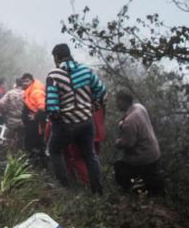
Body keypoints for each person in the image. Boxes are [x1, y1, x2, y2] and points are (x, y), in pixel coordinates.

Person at [46, 43, 105, 194]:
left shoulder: (54, 75)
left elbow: (52, 106)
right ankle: (98, 190)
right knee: (90, 154)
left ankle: (65, 187)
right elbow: (101, 91)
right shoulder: (86, 71)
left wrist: (57, 121)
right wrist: (93, 107)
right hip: (86, 121)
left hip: (66, 123)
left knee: (54, 150)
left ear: (57, 57)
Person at [114, 91, 164, 196]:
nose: (116, 104)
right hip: (154, 151)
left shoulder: (129, 121)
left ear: (123, 102)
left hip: (143, 156)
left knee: (119, 167)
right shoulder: (139, 107)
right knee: (152, 180)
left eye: (117, 101)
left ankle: (130, 193)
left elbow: (128, 144)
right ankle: (154, 194)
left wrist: (118, 142)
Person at [20, 72, 47, 165]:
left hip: (36, 124)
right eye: (23, 82)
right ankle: (36, 162)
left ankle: (39, 164)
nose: (24, 83)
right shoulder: (29, 91)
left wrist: (35, 117)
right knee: (32, 143)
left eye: (27, 81)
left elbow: (42, 107)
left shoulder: (36, 91)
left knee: (36, 144)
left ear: (32, 81)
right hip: (31, 123)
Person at [0, 78, 24, 147]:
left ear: (16, 84)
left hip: (11, 119)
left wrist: (5, 110)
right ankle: (19, 152)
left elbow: (1, 102)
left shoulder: (10, 93)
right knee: (21, 138)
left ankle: (6, 150)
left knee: (8, 137)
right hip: (22, 120)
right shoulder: (26, 93)